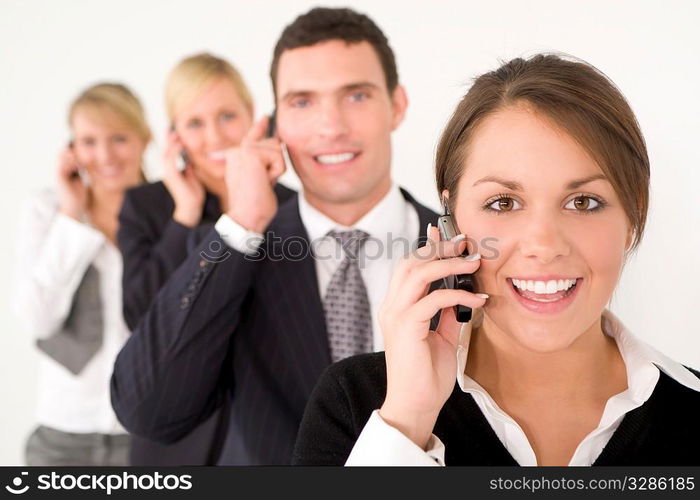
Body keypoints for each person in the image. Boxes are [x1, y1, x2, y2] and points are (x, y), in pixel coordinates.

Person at [292, 54, 700, 466]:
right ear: (450, 219)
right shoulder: (357, 403)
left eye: (583, 202)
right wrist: (409, 422)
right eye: (503, 202)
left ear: (632, 214)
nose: (543, 244)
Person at [111, 7, 439, 465]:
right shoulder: (235, 248)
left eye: (356, 95)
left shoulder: (460, 249)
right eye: (302, 102)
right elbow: (149, 411)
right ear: (274, 125)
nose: (331, 126)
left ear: (397, 105)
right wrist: (243, 222)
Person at [116, 53, 294, 465]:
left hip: (267, 435)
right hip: (176, 441)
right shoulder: (147, 206)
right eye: (194, 123)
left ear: (253, 117)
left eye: (227, 116)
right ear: (174, 134)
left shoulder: (290, 208)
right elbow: (141, 315)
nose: (214, 136)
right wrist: (184, 215)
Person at [13, 83, 150, 466]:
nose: (104, 155)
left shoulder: (171, 212)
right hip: (62, 436)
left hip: (145, 437)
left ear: (145, 138)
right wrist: (71, 218)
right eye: (88, 141)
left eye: (119, 138)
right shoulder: (47, 211)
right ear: (71, 149)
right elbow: (37, 319)